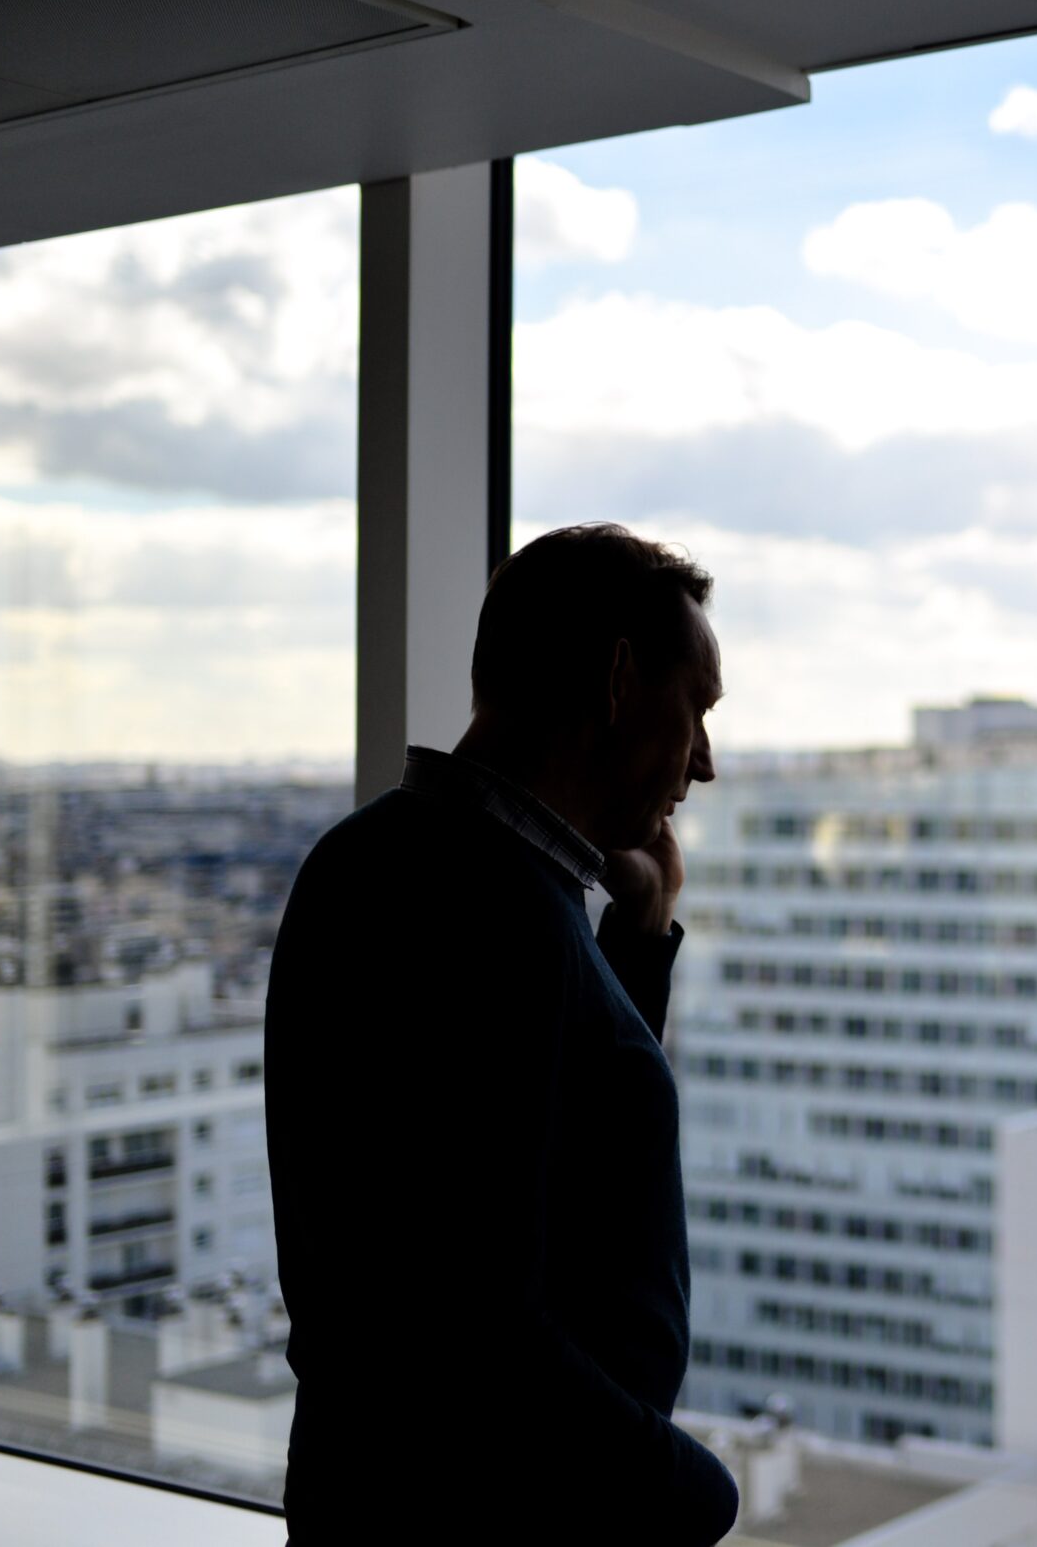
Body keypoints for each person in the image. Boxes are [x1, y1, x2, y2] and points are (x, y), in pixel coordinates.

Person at [265, 523, 739, 1544]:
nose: (703, 761)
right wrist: (691, 1489)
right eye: (693, 708)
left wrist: (637, 933)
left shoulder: (385, 862)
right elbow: (472, 1324)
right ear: (617, 679)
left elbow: (547, 1135)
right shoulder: (489, 909)